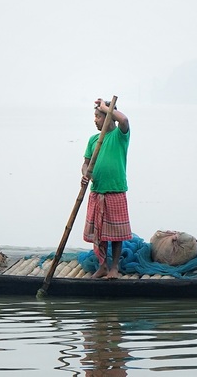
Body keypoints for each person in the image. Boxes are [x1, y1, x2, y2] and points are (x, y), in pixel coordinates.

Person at [81, 98, 131, 279]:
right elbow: (85, 164)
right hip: (98, 191)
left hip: (115, 190)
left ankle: (114, 267)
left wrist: (105, 107)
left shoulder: (119, 135)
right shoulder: (93, 140)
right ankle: (102, 265)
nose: (95, 120)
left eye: (98, 116)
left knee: (117, 234)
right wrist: (86, 174)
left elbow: (124, 120)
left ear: (109, 117)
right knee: (100, 233)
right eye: (95, 116)